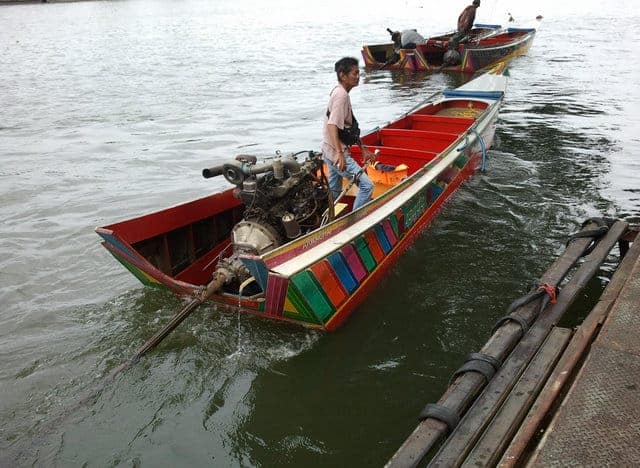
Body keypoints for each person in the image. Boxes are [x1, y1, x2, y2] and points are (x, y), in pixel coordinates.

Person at [322, 57, 375, 211]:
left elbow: (347, 128)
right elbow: (332, 125)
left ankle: (327, 217)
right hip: (336, 153)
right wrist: (339, 154)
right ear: (343, 75)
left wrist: (363, 149)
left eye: (359, 73)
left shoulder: (339, 92)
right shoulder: (341, 96)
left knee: (335, 189)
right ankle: (355, 222)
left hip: (327, 150)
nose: (358, 76)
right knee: (367, 186)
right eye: (355, 73)